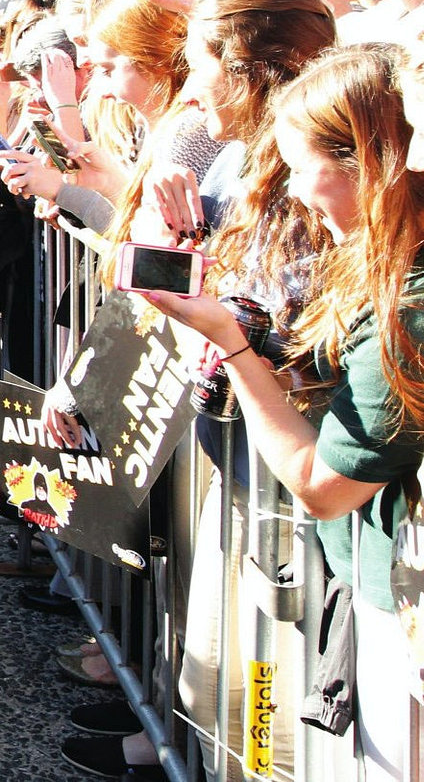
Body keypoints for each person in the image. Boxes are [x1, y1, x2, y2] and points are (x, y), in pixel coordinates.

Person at [153, 45, 424, 781]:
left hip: (400, 607)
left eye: (306, 168)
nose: (297, 194)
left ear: (373, 162)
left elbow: (322, 481)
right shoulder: (385, 265)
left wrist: (234, 348)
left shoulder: (410, 304)